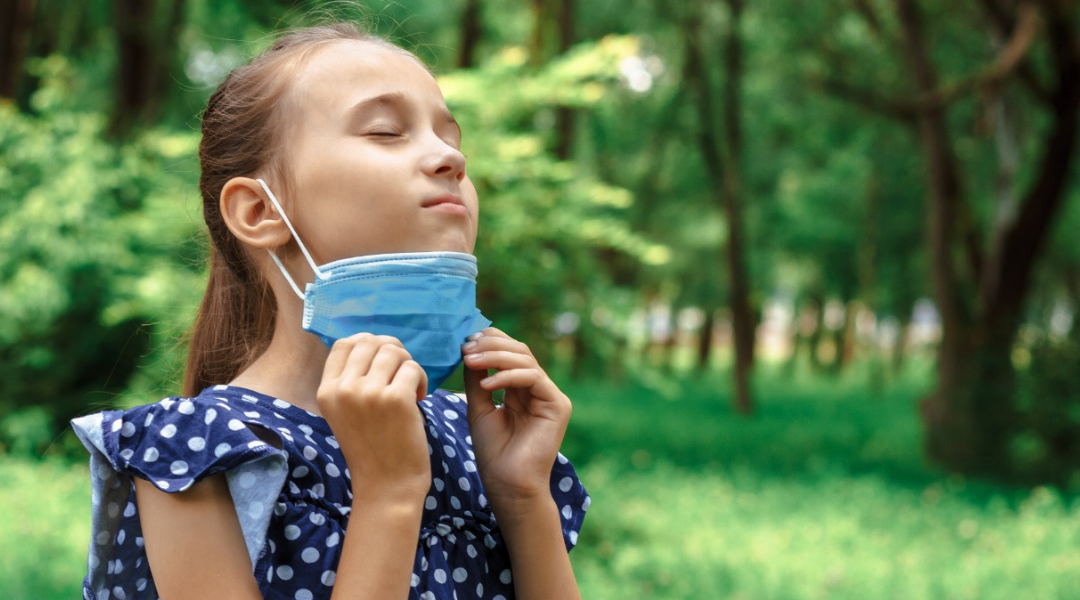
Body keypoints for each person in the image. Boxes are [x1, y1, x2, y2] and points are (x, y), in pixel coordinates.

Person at [70, 22, 589, 600]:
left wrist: (521, 496)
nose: (448, 157)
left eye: (452, 139)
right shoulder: (194, 454)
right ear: (260, 211)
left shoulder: (478, 439)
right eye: (387, 131)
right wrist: (390, 491)